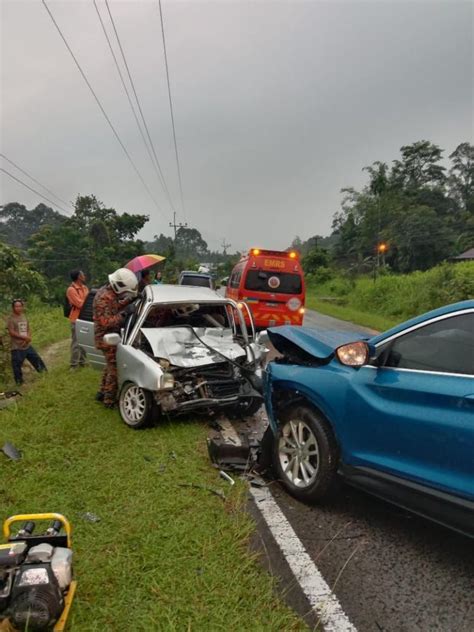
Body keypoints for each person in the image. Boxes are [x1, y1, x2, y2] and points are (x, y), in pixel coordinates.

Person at [93, 268, 138, 408]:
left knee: (109, 366)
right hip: (106, 338)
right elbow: (105, 322)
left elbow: (115, 306)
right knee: (114, 369)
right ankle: (109, 400)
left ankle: (102, 392)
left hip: (109, 336)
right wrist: (123, 315)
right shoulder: (103, 298)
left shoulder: (109, 294)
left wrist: (130, 300)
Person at [7, 299, 47, 386]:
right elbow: (11, 332)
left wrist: (28, 338)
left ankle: (44, 374)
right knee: (17, 365)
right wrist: (24, 338)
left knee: (36, 359)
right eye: (16, 306)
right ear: (13, 308)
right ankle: (19, 383)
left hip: (27, 344)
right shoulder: (11, 319)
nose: (18, 308)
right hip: (17, 346)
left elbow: (28, 328)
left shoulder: (23, 316)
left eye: (20, 306)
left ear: (22, 307)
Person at [66, 269, 89, 369]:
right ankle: (73, 364)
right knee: (76, 342)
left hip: (85, 318)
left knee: (85, 341)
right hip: (76, 319)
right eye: (82, 274)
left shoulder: (84, 288)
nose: (84, 275)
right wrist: (87, 302)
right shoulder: (71, 290)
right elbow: (79, 304)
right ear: (79, 277)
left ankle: (82, 362)